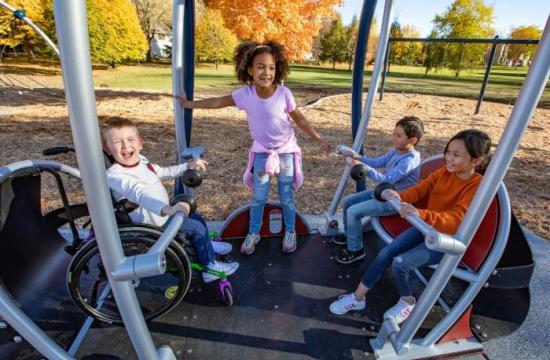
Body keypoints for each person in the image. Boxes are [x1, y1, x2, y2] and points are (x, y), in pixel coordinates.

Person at [175, 41, 331, 255]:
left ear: (277, 70)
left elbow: (301, 121)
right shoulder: (245, 95)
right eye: (260, 67)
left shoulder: (284, 93)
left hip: (285, 151)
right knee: (259, 197)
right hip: (262, 152)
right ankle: (254, 232)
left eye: (271, 67)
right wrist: (189, 104)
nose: (266, 72)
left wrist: (319, 139)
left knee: (286, 195)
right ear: (250, 69)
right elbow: (218, 102)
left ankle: (291, 231)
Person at [329, 129, 491, 325]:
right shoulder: (445, 172)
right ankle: (357, 298)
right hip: (426, 227)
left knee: (400, 263)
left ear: (476, 161)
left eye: (456, 155)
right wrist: (400, 197)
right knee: (385, 253)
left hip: (447, 239)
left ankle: (407, 300)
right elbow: (422, 187)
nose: (448, 158)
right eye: (448, 152)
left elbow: (457, 219)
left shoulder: (476, 186)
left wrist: (420, 213)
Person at [101, 117, 239, 283]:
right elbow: (139, 193)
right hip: (152, 226)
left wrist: (188, 166)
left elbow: (162, 171)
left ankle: (205, 246)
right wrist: (168, 209)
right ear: (107, 149)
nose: (125, 146)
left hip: (163, 216)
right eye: (117, 142)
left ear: (140, 143)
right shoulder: (115, 175)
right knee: (196, 228)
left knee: (197, 218)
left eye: (131, 140)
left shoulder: (142, 161)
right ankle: (209, 267)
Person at [333, 116, 424, 265]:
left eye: (398, 135)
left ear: (412, 141)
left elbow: (386, 180)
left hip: (396, 202)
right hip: (384, 193)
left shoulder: (410, 160)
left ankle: (355, 250)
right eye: (394, 133)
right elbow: (377, 163)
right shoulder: (396, 151)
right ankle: (351, 236)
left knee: (353, 211)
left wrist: (363, 168)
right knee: (348, 202)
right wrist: (357, 157)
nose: (393, 138)